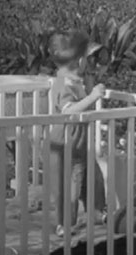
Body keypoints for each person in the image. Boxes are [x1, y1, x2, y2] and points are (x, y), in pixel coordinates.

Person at [48, 29, 108, 237]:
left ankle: (98, 211)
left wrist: (91, 85)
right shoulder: (61, 84)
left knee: (95, 178)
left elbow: (85, 105)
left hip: (79, 144)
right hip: (64, 145)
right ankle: (64, 223)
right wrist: (92, 97)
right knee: (71, 187)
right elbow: (70, 111)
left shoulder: (76, 81)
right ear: (81, 60)